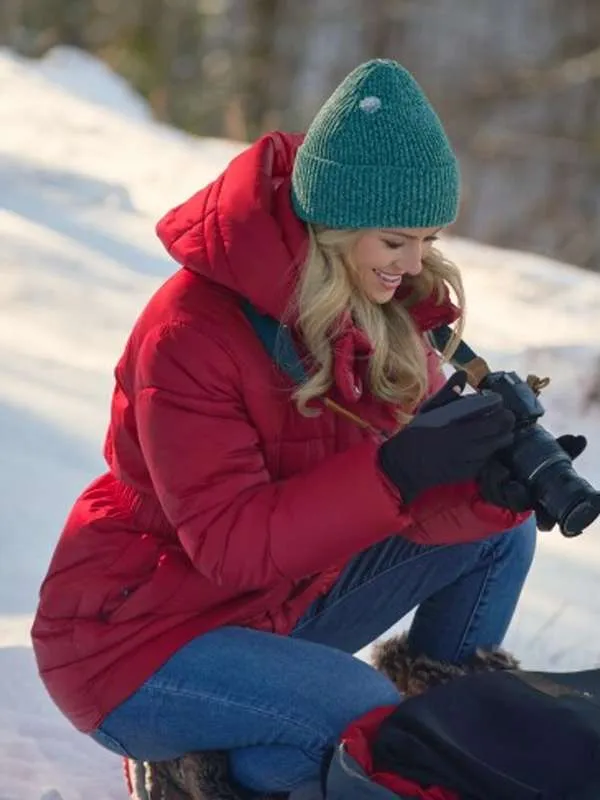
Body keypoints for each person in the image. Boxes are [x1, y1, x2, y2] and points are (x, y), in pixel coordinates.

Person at [31, 59, 539, 796]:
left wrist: (482, 480)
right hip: (136, 645)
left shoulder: (377, 308)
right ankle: (248, 755)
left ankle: (428, 759)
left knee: (496, 535)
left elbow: (394, 508)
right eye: (396, 240)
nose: (415, 264)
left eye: (428, 239)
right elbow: (233, 547)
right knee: (360, 711)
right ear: (334, 226)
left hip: (276, 606)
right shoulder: (191, 334)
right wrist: (400, 469)